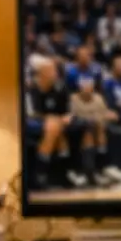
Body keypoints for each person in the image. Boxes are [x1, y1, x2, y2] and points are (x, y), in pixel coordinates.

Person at [24, 57, 70, 190]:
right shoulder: (31, 88)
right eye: (51, 71)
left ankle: (55, 175)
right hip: (29, 121)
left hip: (50, 121)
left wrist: (65, 117)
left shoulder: (58, 87)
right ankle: (41, 175)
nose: (55, 74)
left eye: (55, 70)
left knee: (58, 128)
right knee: (54, 126)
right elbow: (31, 113)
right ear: (41, 74)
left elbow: (64, 110)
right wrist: (51, 117)